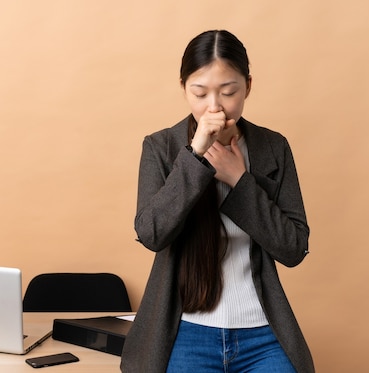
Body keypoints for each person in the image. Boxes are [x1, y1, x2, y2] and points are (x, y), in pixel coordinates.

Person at [120, 30, 315, 373]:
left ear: (248, 87)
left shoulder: (273, 147)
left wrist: (239, 180)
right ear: (184, 88)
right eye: (200, 93)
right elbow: (151, 233)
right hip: (184, 330)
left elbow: (293, 248)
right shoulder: (160, 148)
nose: (214, 106)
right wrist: (195, 156)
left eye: (229, 92)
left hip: (262, 331)